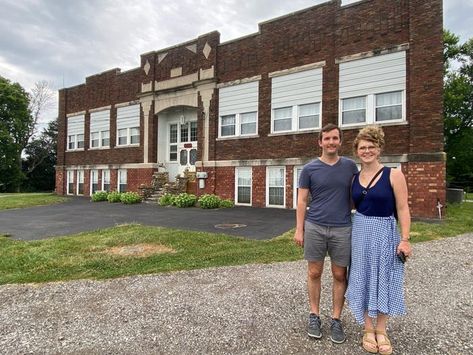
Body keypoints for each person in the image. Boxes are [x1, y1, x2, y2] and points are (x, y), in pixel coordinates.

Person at [345, 125, 412, 355]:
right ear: (357, 151)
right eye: (362, 147)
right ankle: (367, 328)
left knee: (384, 277)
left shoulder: (393, 175)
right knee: (362, 277)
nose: (366, 151)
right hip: (360, 232)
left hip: (385, 231)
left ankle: (381, 330)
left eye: (371, 146)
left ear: (379, 148)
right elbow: (350, 207)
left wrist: (405, 239)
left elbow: (403, 209)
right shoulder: (354, 178)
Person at [294, 123, 358, 344]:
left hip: (342, 228)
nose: (331, 142)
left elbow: (355, 195)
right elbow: (302, 201)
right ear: (320, 142)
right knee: (314, 272)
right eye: (327, 138)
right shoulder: (309, 169)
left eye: (335, 138)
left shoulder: (350, 167)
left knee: (340, 274)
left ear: (340, 141)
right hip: (315, 227)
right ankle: (314, 315)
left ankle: (336, 319)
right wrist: (299, 229)